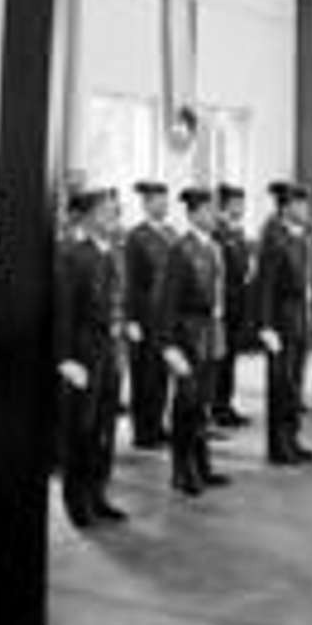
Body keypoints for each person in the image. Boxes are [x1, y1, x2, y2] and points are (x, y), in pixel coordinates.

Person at [53, 189, 130, 527]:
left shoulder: (113, 252)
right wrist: (66, 359)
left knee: (104, 430)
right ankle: (76, 501)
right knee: (80, 431)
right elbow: (63, 313)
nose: (114, 215)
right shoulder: (74, 255)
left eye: (116, 210)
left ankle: (98, 494)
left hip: (110, 352)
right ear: (87, 217)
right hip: (84, 352)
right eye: (107, 210)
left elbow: (119, 304)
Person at [157, 187, 231, 495]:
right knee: (186, 405)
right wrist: (168, 345)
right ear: (195, 213)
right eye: (210, 211)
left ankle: (202, 464)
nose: (215, 216)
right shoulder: (181, 249)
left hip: (210, 332)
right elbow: (168, 302)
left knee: (202, 404)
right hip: (187, 334)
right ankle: (181, 469)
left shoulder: (212, 247)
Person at [254, 182, 312, 464]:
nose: (306, 210)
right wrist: (266, 325)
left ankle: (292, 439)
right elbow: (264, 286)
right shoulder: (274, 239)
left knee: (294, 385)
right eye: (300, 205)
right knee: (280, 386)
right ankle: (278, 447)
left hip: (300, 319)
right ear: (286, 207)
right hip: (281, 323)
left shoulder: (301, 237)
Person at [124, 181, 175, 449]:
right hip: (145, 316)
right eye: (158, 200)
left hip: (166, 316)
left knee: (161, 374)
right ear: (146, 204)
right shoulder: (136, 237)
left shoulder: (170, 233)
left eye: (165, 200)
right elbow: (130, 282)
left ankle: (157, 423)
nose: (164, 205)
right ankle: (143, 431)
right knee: (144, 374)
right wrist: (131, 319)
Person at [210, 184, 254, 430]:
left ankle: (225, 404)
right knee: (221, 361)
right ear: (226, 205)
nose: (242, 208)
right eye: (238, 203)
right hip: (223, 306)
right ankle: (217, 407)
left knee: (230, 360)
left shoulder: (236, 232)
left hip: (237, 304)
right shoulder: (219, 232)